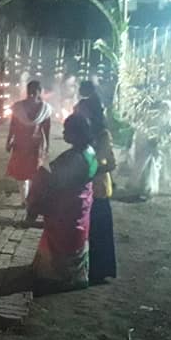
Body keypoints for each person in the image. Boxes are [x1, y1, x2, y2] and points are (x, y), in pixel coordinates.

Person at [27, 114, 98, 293]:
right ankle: (76, 275)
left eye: (68, 130)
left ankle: (58, 277)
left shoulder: (74, 158)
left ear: (77, 133)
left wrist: (39, 180)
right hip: (80, 206)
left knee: (62, 240)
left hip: (66, 207)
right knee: (77, 239)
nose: (64, 133)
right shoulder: (89, 151)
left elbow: (52, 180)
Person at [75, 84, 117, 284]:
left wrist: (92, 170)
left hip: (98, 188)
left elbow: (112, 163)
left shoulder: (102, 135)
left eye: (80, 112)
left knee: (98, 231)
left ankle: (99, 270)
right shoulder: (83, 136)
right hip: (83, 188)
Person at [6, 80, 52, 205]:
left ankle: (25, 199)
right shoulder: (45, 108)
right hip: (31, 144)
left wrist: (9, 140)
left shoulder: (19, 107)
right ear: (40, 91)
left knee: (27, 173)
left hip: (27, 144)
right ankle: (27, 199)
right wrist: (47, 145)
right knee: (30, 173)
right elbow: (46, 129)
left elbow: (13, 126)